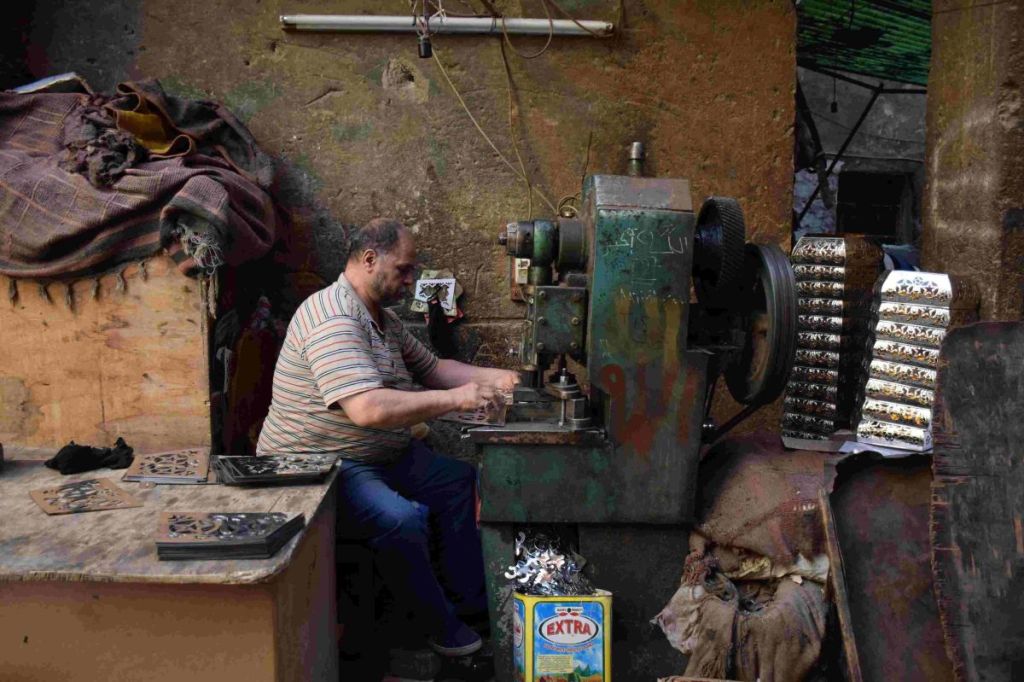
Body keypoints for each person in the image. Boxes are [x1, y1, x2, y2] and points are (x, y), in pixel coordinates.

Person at [257, 218, 519, 657]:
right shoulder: (333, 319)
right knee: (400, 519)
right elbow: (368, 410)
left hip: (379, 456)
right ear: (369, 260)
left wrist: (511, 379)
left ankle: (472, 608)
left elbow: (434, 369)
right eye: (404, 270)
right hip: (322, 465)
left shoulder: (384, 320)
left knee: (457, 482)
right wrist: (457, 400)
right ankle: (436, 627)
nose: (410, 280)